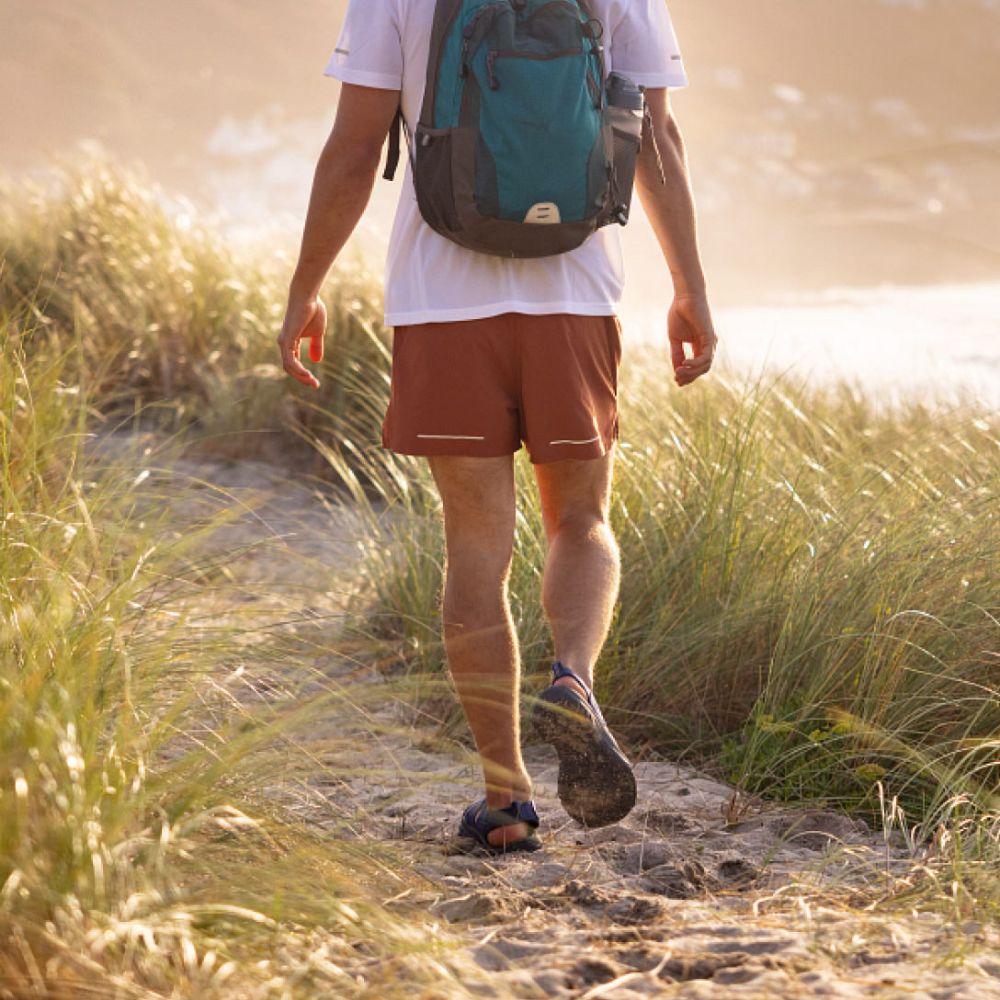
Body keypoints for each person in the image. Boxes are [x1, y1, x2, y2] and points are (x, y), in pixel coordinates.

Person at [278, 0, 718, 854]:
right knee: (582, 523)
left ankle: (507, 799)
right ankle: (573, 681)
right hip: (575, 294)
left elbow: (355, 145)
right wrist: (690, 285)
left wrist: (306, 286)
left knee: (476, 544)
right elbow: (658, 139)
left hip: (441, 305)